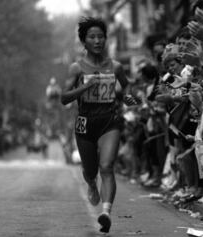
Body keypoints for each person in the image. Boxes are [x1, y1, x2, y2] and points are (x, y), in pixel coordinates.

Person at [61, 17, 136, 233]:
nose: (97, 41)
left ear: (105, 39)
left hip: (109, 121)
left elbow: (127, 86)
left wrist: (128, 98)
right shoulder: (76, 68)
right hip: (85, 123)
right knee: (91, 170)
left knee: (107, 166)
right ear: (84, 41)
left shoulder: (116, 66)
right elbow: (65, 98)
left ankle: (106, 212)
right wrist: (85, 87)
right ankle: (92, 184)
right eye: (92, 37)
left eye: (100, 37)